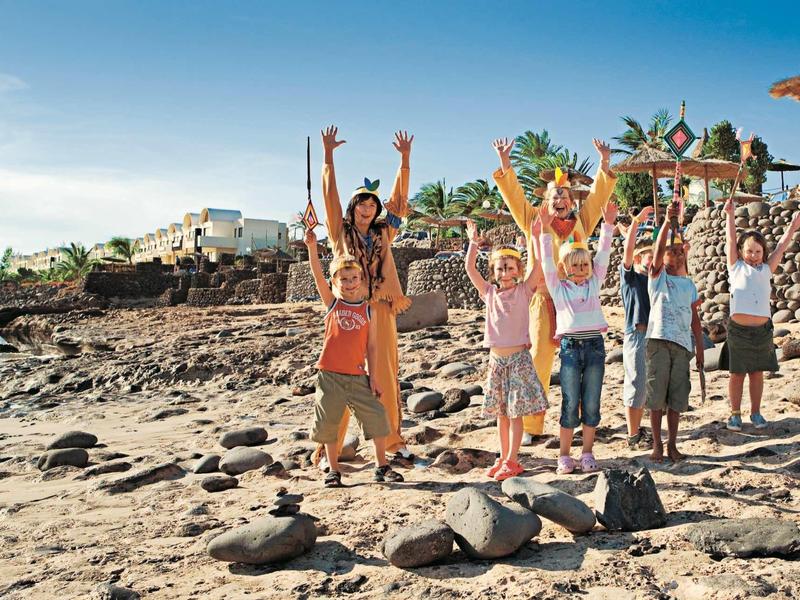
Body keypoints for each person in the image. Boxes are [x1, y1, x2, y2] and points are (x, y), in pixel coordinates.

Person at [492, 137, 617, 443]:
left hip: (577, 303)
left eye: (564, 195)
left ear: (571, 201)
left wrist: (603, 164)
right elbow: (515, 197)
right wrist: (506, 164)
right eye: (553, 196)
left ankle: (580, 421)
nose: (559, 200)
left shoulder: (581, 223)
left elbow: (599, 197)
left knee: (581, 362)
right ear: (545, 201)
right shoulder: (534, 221)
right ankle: (533, 427)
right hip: (543, 300)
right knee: (539, 358)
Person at [317, 125, 414, 468]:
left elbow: (399, 203)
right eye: (362, 202)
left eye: (372, 203)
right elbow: (329, 198)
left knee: (385, 373)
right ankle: (329, 445)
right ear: (353, 207)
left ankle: (391, 441)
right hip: (348, 311)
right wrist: (328, 156)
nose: (368, 207)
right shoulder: (338, 232)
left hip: (382, 307)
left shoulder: (384, 233)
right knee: (343, 375)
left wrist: (404, 161)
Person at [303, 229, 404, 487]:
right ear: (335, 282)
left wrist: (373, 377)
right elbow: (316, 273)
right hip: (330, 376)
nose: (349, 283)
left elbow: (371, 347)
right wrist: (312, 248)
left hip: (358, 375)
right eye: (343, 279)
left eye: (354, 278)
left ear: (361, 279)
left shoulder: (367, 309)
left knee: (378, 419)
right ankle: (333, 470)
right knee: (329, 423)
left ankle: (382, 466)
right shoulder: (332, 303)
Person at [535, 198, 618, 474]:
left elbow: (604, 255)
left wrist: (607, 226)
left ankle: (587, 453)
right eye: (577, 265)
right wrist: (545, 233)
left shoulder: (594, 283)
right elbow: (547, 262)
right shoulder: (559, 289)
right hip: (570, 348)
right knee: (570, 401)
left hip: (595, 346)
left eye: (586, 265)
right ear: (566, 268)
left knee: (592, 402)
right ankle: (564, 455)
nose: (582, 270)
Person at [464, 219, 547, 481]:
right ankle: (503, 456)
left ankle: (513, 459)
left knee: (515, 413)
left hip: (518, 360)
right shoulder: (488, 293)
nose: (505, 271)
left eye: (510, 267)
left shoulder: (524, 291)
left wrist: (535, 237)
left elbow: (540, 266)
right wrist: (473, 244)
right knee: (501, 414)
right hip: (496, 362)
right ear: (494, 271)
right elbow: (469, 269)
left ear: (518, 270)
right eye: (500, 268)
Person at [721, 197, 800, 430]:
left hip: (762, 331)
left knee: (757, 373)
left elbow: (782, 247)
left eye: (757, 251)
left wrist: (793, 227)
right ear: (741, 251)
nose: (753, 254)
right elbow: (730, 239)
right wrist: (729, 216)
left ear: (763, 252)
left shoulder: (767, 268)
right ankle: (735, 414)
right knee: (737, 374)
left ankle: (755, 412)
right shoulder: (735, 266)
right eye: (749, 251)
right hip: (739, 331)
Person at [645, 204, 704, 462]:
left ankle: (672, 444)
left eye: (681, 252)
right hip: (658, 341)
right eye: (672, 252)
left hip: (682, 346)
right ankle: (657, 444)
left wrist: (700, 349)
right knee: (656, 397)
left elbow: (695, 319)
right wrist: (668, 223)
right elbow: (658, 253)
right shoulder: (658, 278)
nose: (677, 256)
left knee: (677, 399)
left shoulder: (689, 285)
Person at [617, 207, 655, 449]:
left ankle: (644, 431)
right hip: (637, 335)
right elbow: (628, 250)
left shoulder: (658, 279)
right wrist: (635, 224)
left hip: (656, 336)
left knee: (652, 387)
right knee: (636, 385)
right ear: (640, 259)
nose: (654, 259)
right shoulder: (630, 277)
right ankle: (632, 435)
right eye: (649, 255)